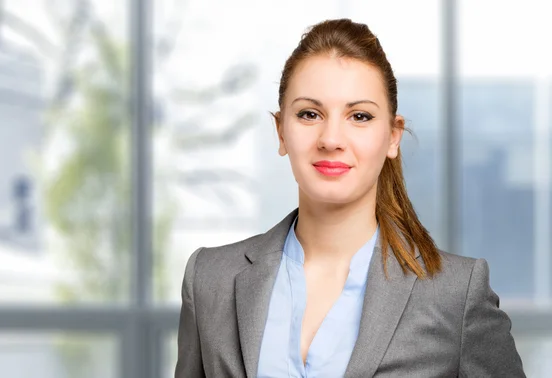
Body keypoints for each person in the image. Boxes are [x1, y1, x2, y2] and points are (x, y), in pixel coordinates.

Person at [175, 18, 525, 378]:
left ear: (393, 136)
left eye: (359, 116)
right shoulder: (210, 280)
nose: (331, 139)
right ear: (281, 131)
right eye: (309, 114)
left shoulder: (455, 293)